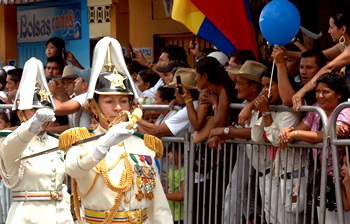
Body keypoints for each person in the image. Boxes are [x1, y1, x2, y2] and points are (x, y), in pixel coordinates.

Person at [65, 37, 172, 224]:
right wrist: (103, 144)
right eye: (109, 102)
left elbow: (158, 205)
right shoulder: (82, 142)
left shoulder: (144, 144)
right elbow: (73, 168)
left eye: (123, 101)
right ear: (94, 106)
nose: (118, 108)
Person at [0, 57, 73, 223]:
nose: (39, 114)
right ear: (20, 114)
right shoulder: (10, 141)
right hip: (28, 217)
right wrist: (32, 125)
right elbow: (11, 147)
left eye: (43, 109)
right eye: (33, 110)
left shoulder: (55, 142)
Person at [280, 73, 350, 222]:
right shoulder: (316, 109)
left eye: (326, 92)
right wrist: (289, 131)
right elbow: (302, 129)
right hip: (320, 176)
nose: (320, 96)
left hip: (340, 178)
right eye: (318, 91)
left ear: (339, 94)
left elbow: (325, 136)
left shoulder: (345, 111)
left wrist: (297, 134)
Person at [207, 60, 267, 224]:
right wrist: (220, 135)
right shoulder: (245, 104)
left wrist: (226, 131)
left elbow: (256, 133)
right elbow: (232, 129)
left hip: (273, 171)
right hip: (261, 169)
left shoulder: (267, 106)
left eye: (240, 83)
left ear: (254, 87)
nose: (235, 87)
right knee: (241, 197)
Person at [252, 70, 305, 223]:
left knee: (288, 218)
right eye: (263, 86)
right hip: (277, 171)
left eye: (269, 85)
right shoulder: (270, 108)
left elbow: (276, 140)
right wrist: (261, 112)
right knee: (273, 218)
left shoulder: (291, 111)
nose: (265, 90)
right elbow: (256, 137)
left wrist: (266, 113)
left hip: (291, 172)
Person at [136, 68, 199, 138]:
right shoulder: (189, 106)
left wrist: (137, 118)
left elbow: (156, 131)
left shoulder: (189, 109)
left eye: (175, 91)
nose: (174, 95)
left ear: (183, 91)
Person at [166, 144, 185, 224]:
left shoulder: (184, 171)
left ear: (181, 155)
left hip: (180, 216)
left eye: (172, 152)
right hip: (170, 214)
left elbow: (182, 195)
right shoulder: (171, 171)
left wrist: (164, 195)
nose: (168, 154)